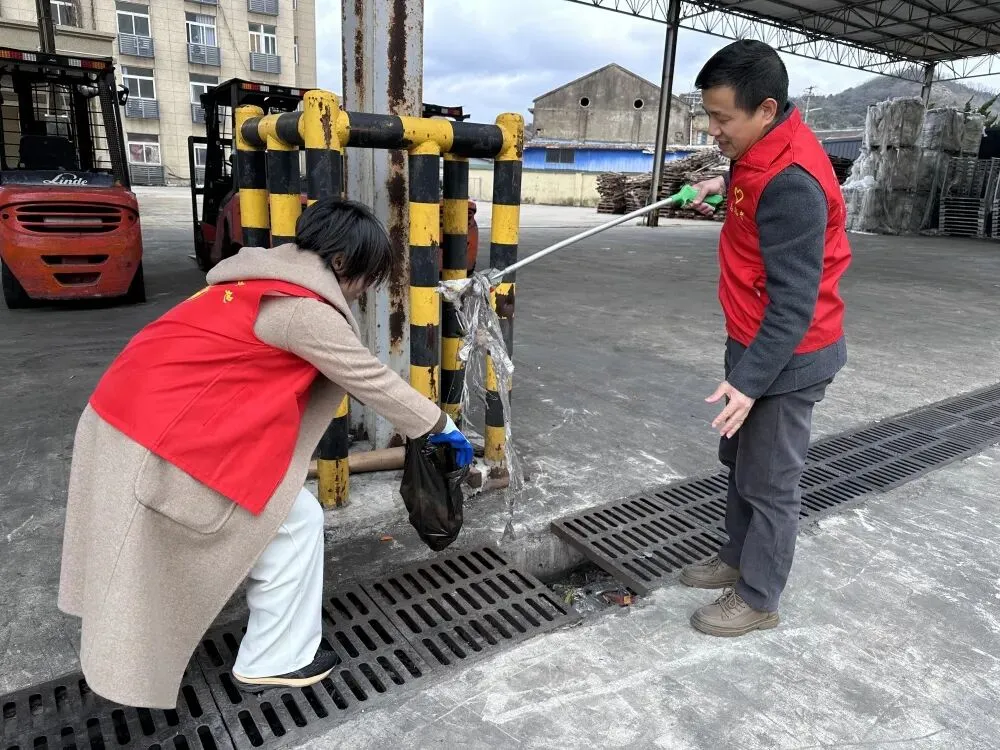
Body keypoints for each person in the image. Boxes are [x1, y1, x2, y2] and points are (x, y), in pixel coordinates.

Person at [57, 198, 474, 708]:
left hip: (125, 420)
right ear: (341, 261)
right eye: (368, 275)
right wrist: (439, 427)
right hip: (154, 439)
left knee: (287, 518)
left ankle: (270, 650)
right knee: (294, 521)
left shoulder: (249, 282)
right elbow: (369, 378)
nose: (366, 288)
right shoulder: (300, 308)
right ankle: (273, 658)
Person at [678, 40, 852, 636]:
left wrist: (749, 384)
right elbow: (748, 185)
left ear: (766, 109)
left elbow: (794, 306)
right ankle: (735, 557)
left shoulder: (793, 184)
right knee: (739, 461)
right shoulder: (757, 151)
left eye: (722, 118)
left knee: (770, 481)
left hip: (789, 355)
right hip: (751, 338)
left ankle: (758, 597)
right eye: (709, 114)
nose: (713, 129)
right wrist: (716, 187)